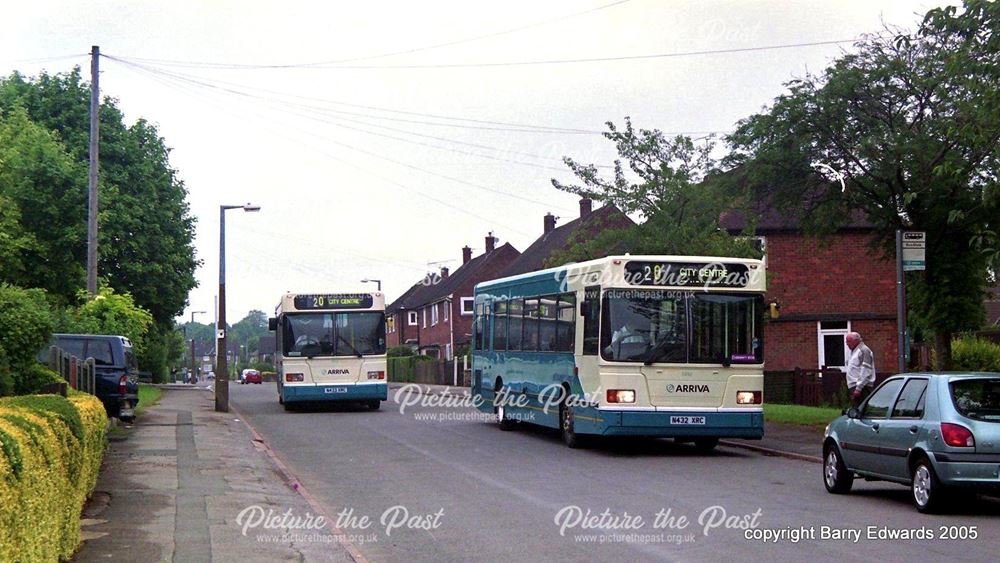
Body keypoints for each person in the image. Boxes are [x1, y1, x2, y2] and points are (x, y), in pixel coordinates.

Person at [845, 332, 876, 408]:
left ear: (856, 341)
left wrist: (858, 388)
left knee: (860, 409)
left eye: (848, 341)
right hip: (855, 386)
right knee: (856, 409)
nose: (847, 344)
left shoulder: (864, 350)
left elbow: (866, 370)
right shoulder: (854, 351)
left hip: (862, 388)